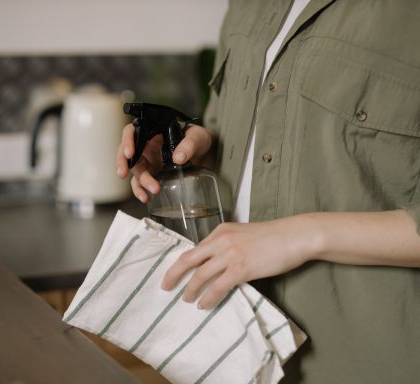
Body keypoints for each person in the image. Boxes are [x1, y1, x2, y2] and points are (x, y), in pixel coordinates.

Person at [117, 1, 420, 383]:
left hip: (365, 362)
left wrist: (300, 236)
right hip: (235, 352)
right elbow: (236, 141)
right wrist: (182, 146)